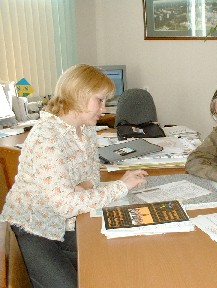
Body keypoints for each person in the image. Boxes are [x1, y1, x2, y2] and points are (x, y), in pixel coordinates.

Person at [0, 64, 148, 287]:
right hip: (31, 229)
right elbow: (66, 204)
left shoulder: (86, 128)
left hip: (65, 224)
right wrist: (121, 186)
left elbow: (92, 177)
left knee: (118, 256)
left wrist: (81, 189)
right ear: (78, 96)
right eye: (99, 100)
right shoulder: (46, 137)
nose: (104, 108)